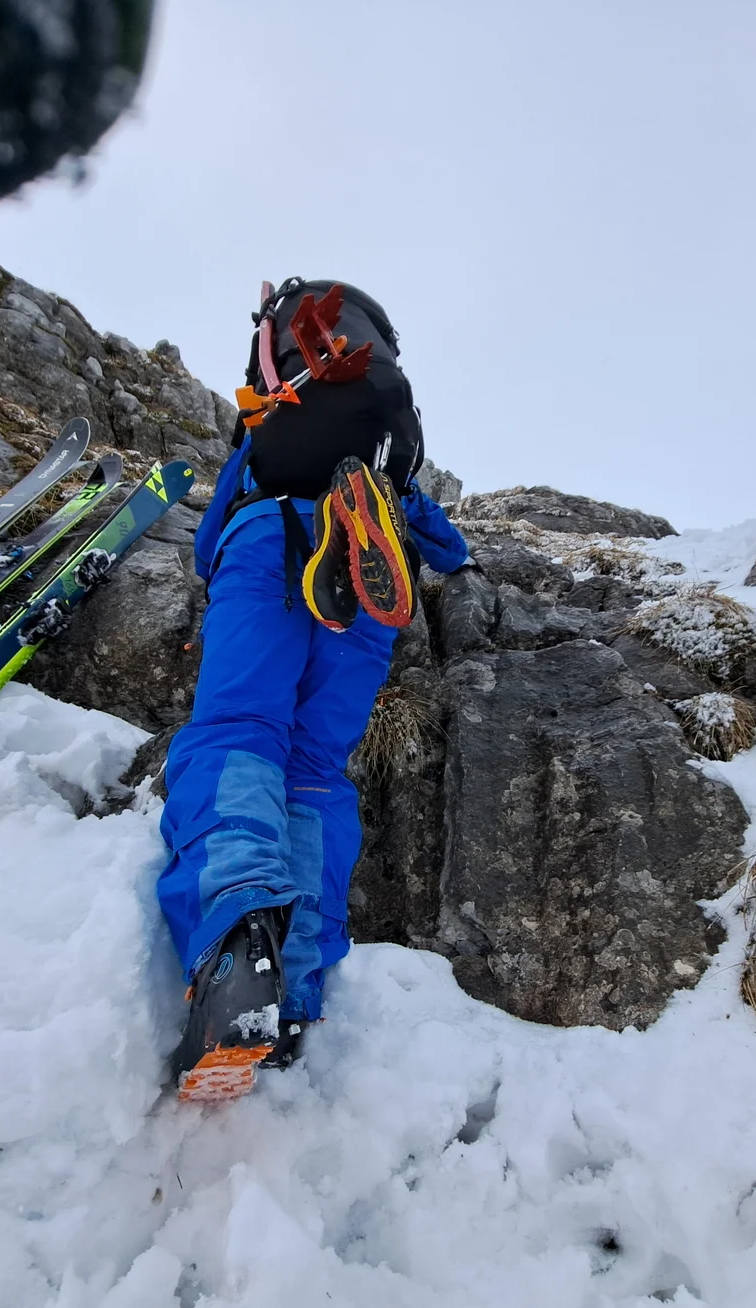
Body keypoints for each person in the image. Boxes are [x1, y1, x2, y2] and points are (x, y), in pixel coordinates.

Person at [157, 280, 469, 1102]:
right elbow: (451, 547)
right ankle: (291, 995)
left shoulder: (263, 437)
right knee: (314, 769)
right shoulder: (391, 457)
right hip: (374, 578)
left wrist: (227, 555)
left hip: (267, 540)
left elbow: (212, 535)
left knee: (237, 731)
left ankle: (237, 934)